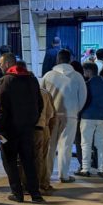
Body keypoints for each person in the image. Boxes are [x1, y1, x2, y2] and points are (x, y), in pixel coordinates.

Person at [0, 56, 45, 203]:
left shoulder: (5, 81)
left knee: (9, 160)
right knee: (28, 160)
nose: (0, 67)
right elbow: (39, 104)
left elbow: (0, 107)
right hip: (27, 128)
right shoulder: (32, 79)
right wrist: (32, 120)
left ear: (8, 63)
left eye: (1, 64)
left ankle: (17, 193)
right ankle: (35, 193)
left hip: (9, 129)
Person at [41, 49, 88, 183]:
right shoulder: (77, 76)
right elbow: (83, 97)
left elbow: (41, 95)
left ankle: (46, 176)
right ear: (70, 59)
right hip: (70, 116)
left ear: (57, 59)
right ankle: (64, 175)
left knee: (49, 146)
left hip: (51, 116)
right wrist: (75, 110)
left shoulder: (48, 75)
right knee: (66, 146)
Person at [77, 62, 103, 177]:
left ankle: (85, 169)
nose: (84, 73)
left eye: (85, 71)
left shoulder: (86, 85)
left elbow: (81, 101)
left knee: (86, 143)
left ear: (89, 71)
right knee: (101, 144)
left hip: (87, 117)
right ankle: (101, 169)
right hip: (102, 117)